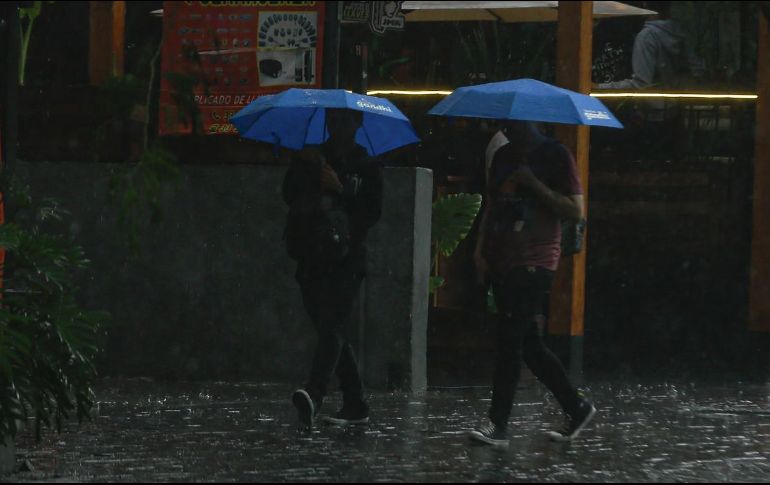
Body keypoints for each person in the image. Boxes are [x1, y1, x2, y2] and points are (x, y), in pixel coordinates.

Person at [468, 120, 596, 447]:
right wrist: (480, 250)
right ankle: (576, 406)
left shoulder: (556, 155)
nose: (510, 128)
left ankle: (498, 423)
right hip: (503, 256)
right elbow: (492, 204)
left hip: (536, 259)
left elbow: (575, 210)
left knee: (510, 341)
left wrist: (533, 184)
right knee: (528, 344)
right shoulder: (503, 156)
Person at [282, 108, 383, 430]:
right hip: (312, 255)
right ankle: (355, 401)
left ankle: (314, 393)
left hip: (346, 259)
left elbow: (371, 212)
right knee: (330, 330)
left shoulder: (366, 165)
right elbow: (289, 195)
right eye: (333, 120)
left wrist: (341, 188)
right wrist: (306, 169)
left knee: (333, 326)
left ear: (357, 123)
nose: (338, 127)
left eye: (345, 121)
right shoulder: (313, 157)